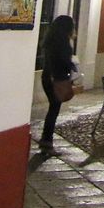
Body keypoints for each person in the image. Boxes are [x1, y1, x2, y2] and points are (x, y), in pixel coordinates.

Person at [39, 14, 76, 153]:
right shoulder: (63, 44)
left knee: (52, 109)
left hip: (47, 78)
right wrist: (71, 66)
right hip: (57, 79)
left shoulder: (51, 41)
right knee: (53, 110)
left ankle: (46, 141)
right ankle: (47, 142)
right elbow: (63, 62)